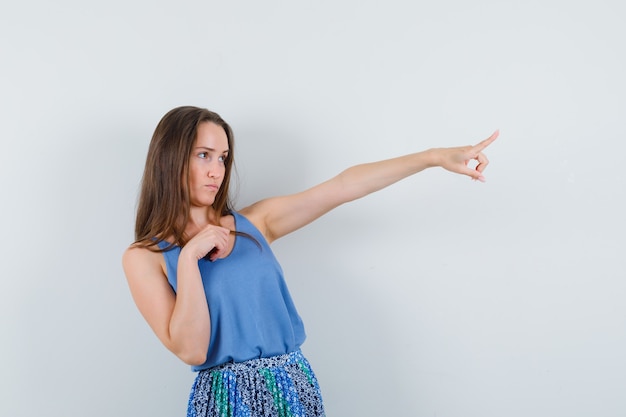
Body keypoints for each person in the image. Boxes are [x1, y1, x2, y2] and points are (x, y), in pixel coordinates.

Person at [122, 105, 498, 417]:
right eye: (203, 155)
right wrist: (189, 258)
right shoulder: (145, 257)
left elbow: (342, 187)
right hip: (224, 400)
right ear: (170, 158)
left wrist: (433, 158)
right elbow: (192, 350)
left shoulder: (255, 224)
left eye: (222, 158)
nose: (216, 170)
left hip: (291, 383)